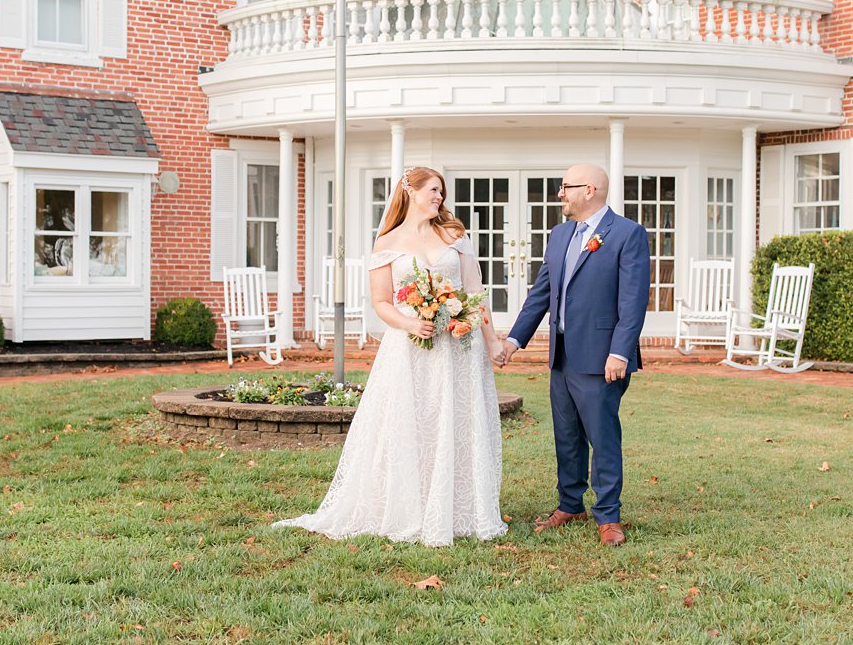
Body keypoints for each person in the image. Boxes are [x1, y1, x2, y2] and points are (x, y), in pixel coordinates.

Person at [274, 166, 509, 546]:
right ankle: (411, 505)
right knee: (413, 421)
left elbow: (475, 291)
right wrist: (409, 323)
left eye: (441, 192)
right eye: (433, 190)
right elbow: (381, 303)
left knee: (455, 419)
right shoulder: (386, 242)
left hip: (458, 348)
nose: (439, 198)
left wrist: (493, 341)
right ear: (411, 193)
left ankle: (459, 507)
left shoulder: (455, 235)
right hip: (410, 348)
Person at [496, 164, 650, 546]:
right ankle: (570, 503)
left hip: (602, 358)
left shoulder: (627, 234)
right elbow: (542, 294)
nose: (560, 194)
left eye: (566, 187)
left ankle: (609, 516)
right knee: (566, 436)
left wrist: (620, 352)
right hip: (561, 356)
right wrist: (514, 341)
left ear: (590, 189)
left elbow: (633, 303)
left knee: (603, 436)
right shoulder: (560, 234)